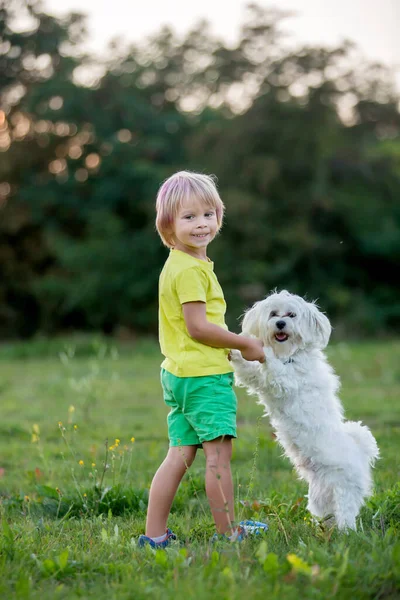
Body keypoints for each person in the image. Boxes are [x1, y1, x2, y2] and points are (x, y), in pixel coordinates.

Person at [138, 171, 267, 549]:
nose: (201, 224)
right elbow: (197, 327)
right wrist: (243, 343)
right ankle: (229, 534)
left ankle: (155, 535)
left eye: (208, 214)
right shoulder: (191, 270)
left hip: (178, 376)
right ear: (168, 225)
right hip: (204, 378)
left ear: (219, 216)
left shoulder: (178, 265)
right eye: (189, 217)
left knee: (178, 456)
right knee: (217, 459)